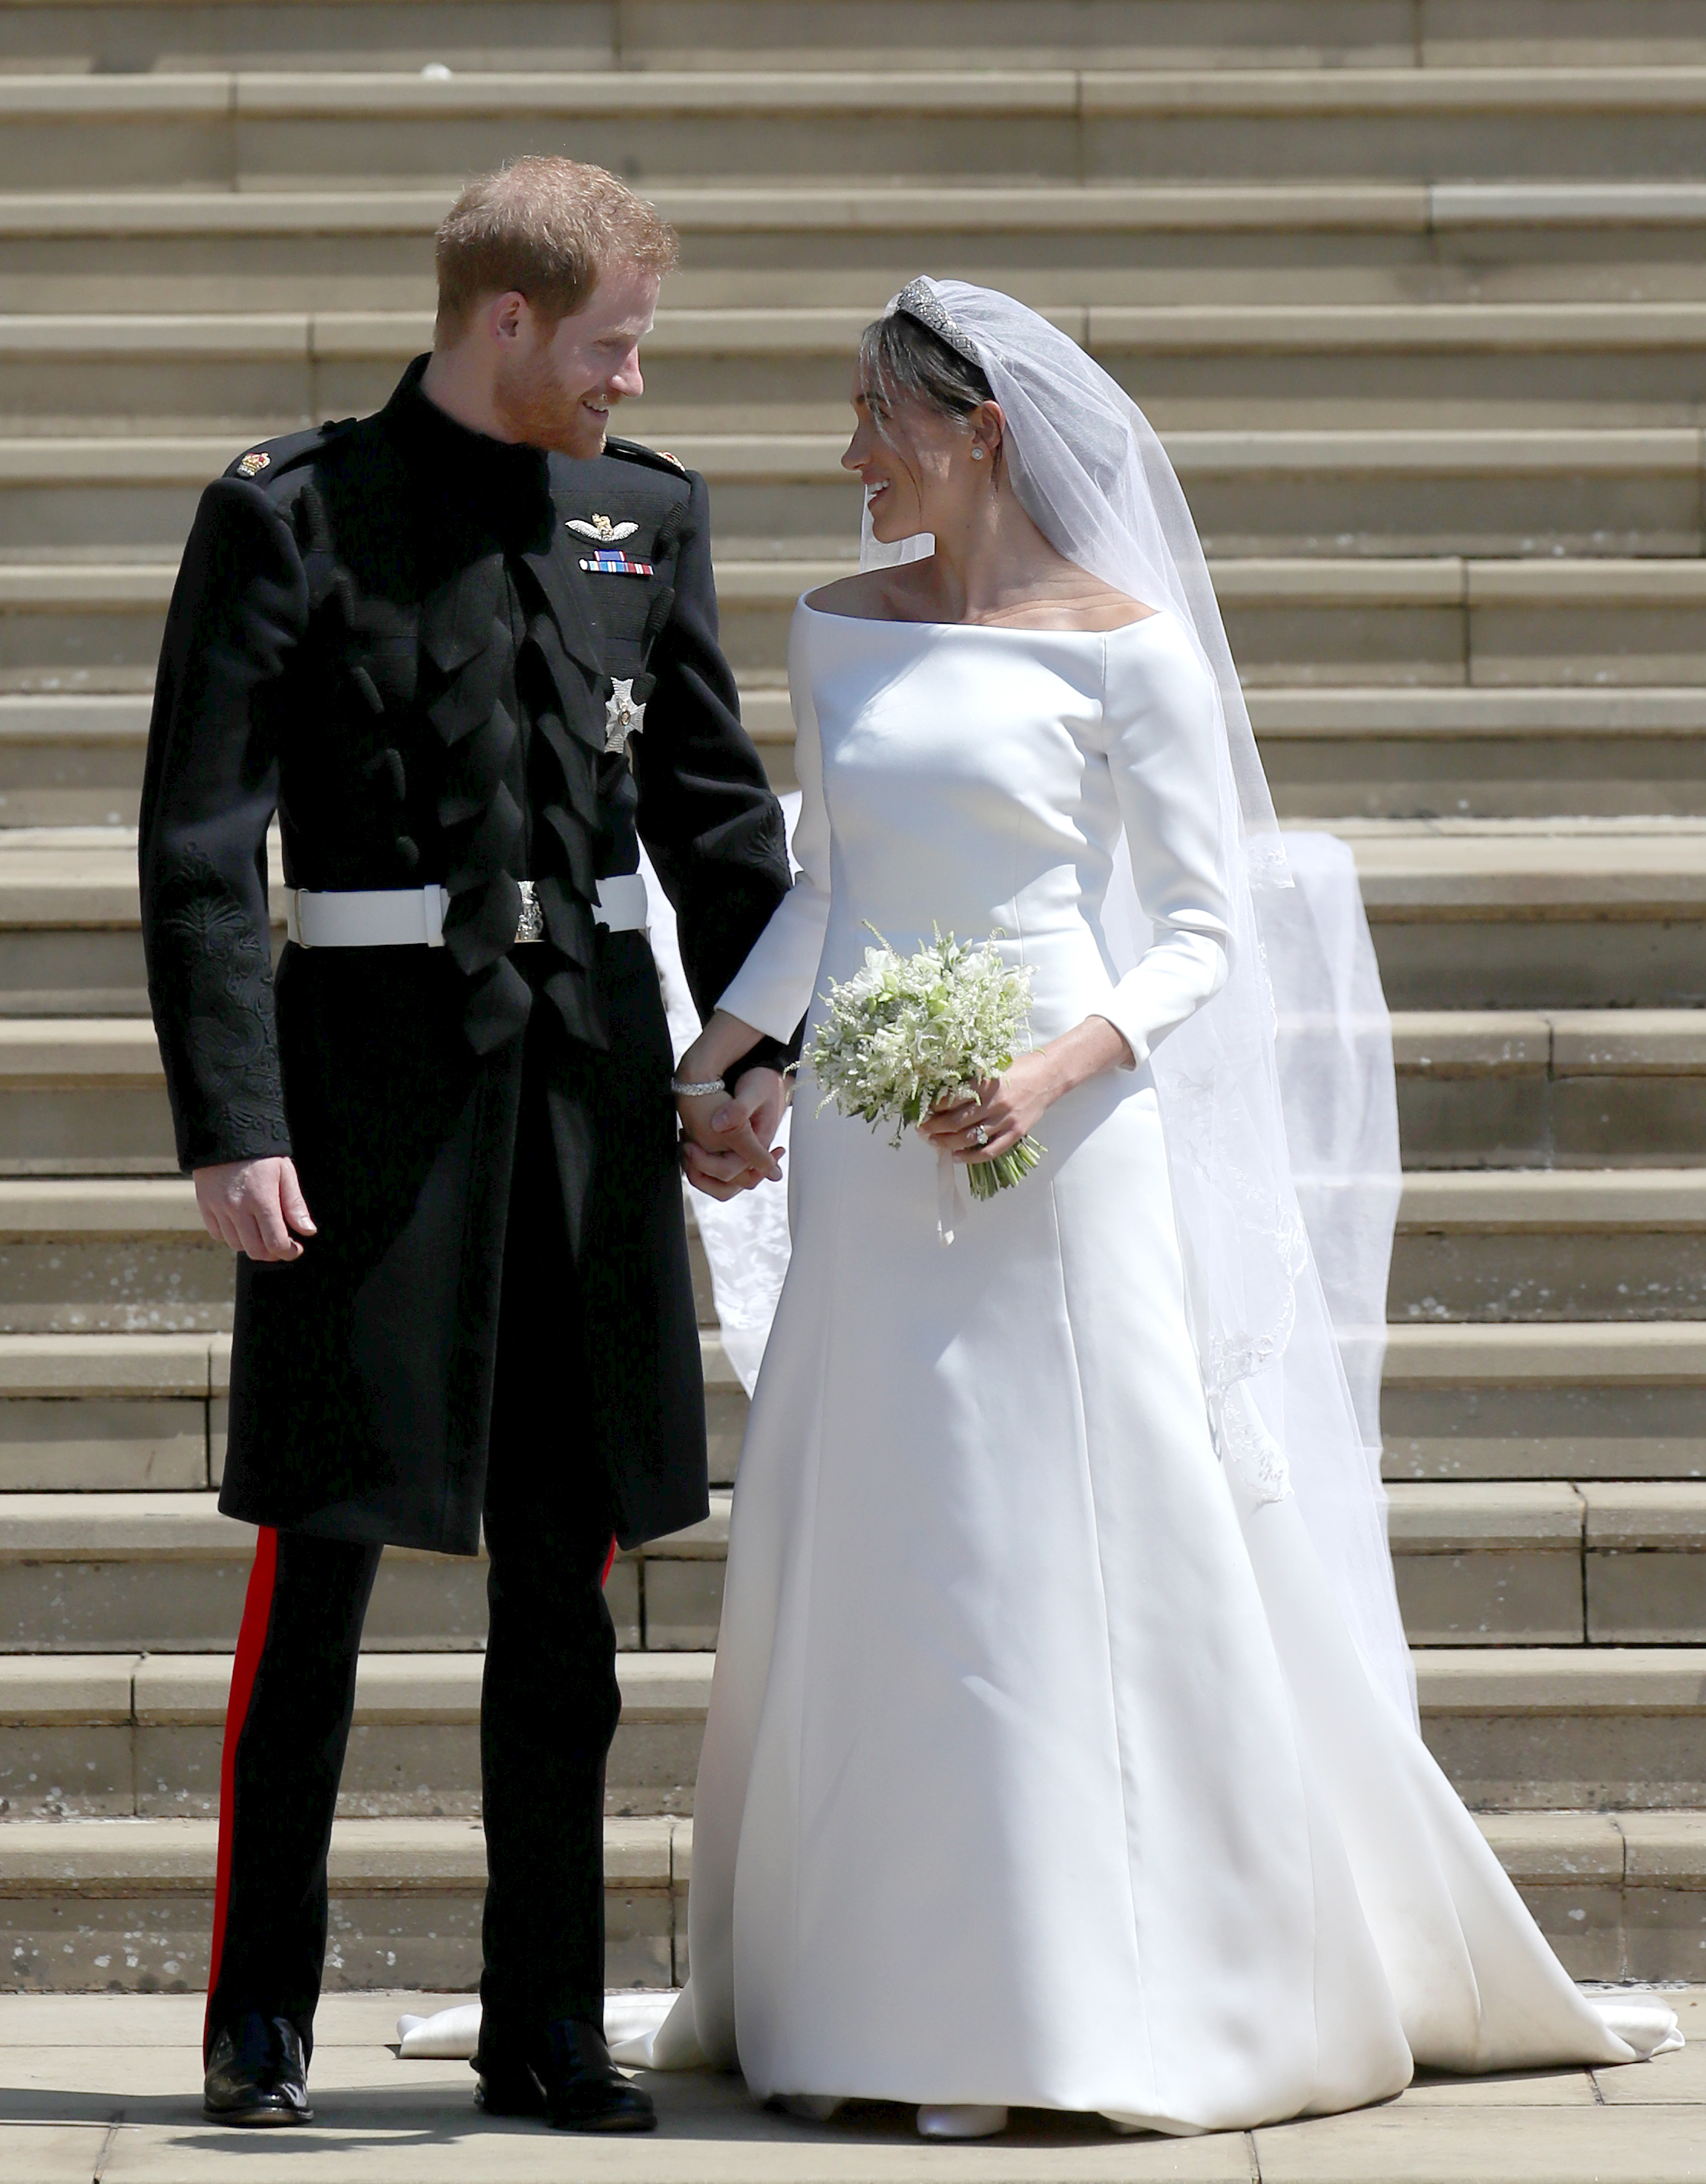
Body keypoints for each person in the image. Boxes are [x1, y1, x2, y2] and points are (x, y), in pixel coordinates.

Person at [647, 279, 1681, 2135]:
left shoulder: (1131, 652)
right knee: (883, 1539)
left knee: (1066, 1537)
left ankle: (1111, 1991)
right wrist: (722, 1058)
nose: (848, 449)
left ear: (979, 433)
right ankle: (879, 1991)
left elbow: (1206, 931)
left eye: (875, 415)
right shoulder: (831, 629)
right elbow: (827, 883)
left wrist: (1051, 1071)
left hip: (1061, 1145)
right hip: (880, 1169)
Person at [139, 157, 795, 2133]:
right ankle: (259, 2020)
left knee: (560, 1590)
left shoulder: (642, 514)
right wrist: (231, 1125)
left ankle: (545, 2026)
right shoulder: (286, 515)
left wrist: (754, 1058)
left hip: (587, 1102)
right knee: (317, 1575)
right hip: (360, 1108)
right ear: (505, 321)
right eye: (609, 343)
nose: (634, 376)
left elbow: (712, 812)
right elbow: (196, 848)